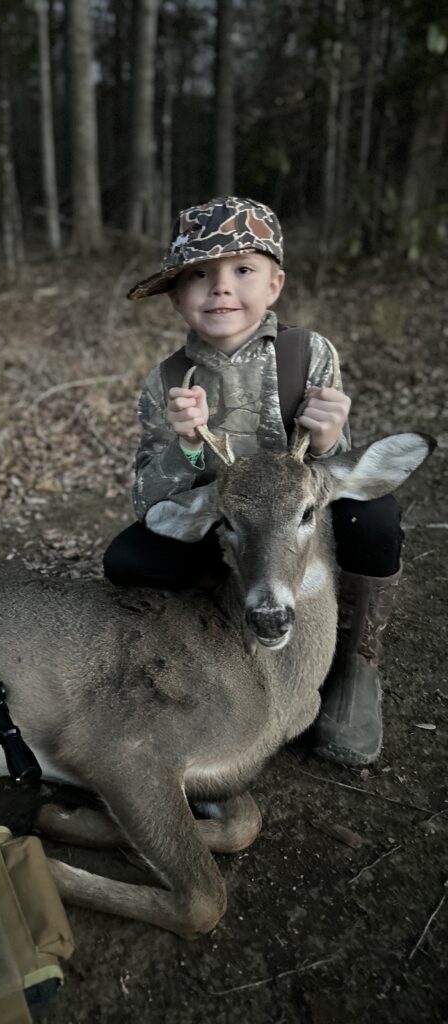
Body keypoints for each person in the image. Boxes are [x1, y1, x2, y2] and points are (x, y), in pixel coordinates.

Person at [104, 196, 402, 767]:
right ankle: (216, 641)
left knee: (376, 517)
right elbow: (151, 500)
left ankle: (354, 668)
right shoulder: (167, 380)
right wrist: (189, 445)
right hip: (231, 528)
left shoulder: (308, 353)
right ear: (176, 296)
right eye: (198, 275)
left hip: (297, 519)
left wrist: (326, 440)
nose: (220, 289)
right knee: (128, 559)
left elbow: (329, 466)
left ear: (274, 285)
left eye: (242, 270)